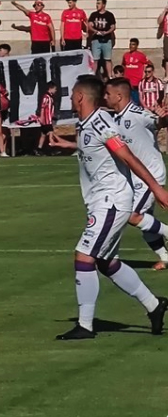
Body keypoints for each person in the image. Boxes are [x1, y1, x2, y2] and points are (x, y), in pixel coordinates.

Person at [50, 75, 168, 340]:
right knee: (106, 261)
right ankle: (154, 305)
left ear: (80, 97)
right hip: (101, 201)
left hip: (112, 201)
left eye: (72, 95)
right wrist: (68, 145)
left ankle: (85, 325)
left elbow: (127, 155)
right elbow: (94, 150)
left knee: (83, 256)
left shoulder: (101, 122)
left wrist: (157, 188)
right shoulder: (88, 124)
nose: (71, 99)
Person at [103, 78, 168, 271]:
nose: (105, 97)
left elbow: (158, 122)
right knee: (145, 223)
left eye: (108, 94)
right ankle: (165, 257)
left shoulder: (137, 113)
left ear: (119, 96)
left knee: (131, 215)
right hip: (135, 177)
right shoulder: (115, 118)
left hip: (150, 174)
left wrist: (163, 117)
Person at [88, 0, 116, 80]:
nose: (97, 5)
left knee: (108, 59)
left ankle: (110, 76)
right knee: (95, 59)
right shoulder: (93, 15)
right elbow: (89, 25)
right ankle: (93, 76)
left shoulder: (109, 15)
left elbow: (113, 27)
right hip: (96, 40)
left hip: (107, 40)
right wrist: (95, 31)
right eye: (97, 3)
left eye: (99, 3)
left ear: (104, 5)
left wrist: (106, 32)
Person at [121, 38, 149, 105]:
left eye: (133, 44)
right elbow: (123, 65)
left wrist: (144, 76)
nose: (131, 46)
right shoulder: (126, 55)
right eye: (130, 44)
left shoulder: (141, 55)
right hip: (127, 81)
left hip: (136, 82)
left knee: (136, 101)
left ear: (137, 46)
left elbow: (149, 64)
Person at [36, 82, 57, 156]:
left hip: (48, 119)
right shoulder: (46, 97)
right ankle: (52, 149)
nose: (55, 90)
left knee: (43, 134)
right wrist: (41, 117)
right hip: (47, 120)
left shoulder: (50, 97)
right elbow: (42, 107)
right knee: (51, 133)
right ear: (50, 88)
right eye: (54, 89)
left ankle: (39, 149)